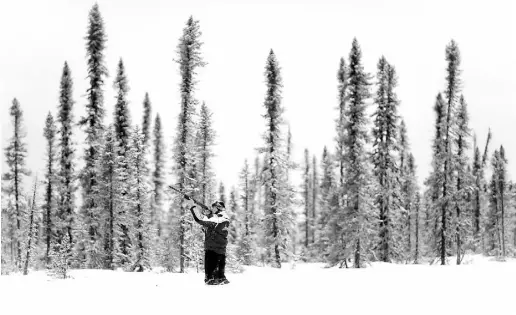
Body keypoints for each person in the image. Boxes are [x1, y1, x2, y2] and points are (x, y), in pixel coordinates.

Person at [184, 198, 230, 285]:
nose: (211, 209)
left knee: (211, 281)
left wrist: (192, 205)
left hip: (213, 251)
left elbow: (199, 220)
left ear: (218, 208)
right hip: (219, 251)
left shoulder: (218, 219)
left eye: (214, 208)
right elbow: (208, 229)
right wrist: (208, 215)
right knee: (220, 280)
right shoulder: (223, 218)